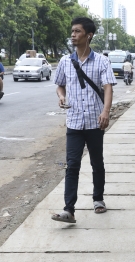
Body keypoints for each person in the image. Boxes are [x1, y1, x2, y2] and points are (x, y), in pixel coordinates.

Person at [51, 17, 117, 224]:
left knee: (97, 162)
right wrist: (61, 96)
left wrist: (106, 112)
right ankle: (68, 209)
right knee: (72, 166)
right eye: (72, 31)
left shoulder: (102, 61)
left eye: (77, 31)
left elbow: (108, 87)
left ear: (88, 35)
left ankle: (98, 199)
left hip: (95, 122)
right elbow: (59, 85)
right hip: (74, 122)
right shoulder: (64, 61)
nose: (73, 35)